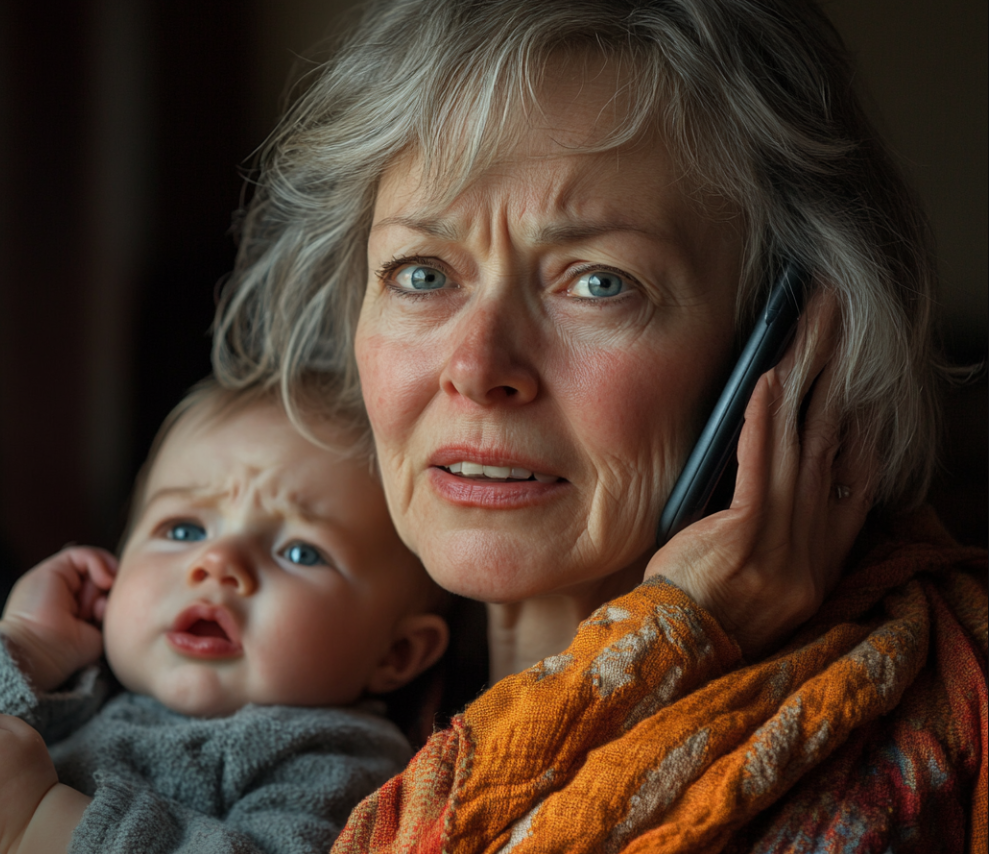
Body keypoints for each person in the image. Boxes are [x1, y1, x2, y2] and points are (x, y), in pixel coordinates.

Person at [212, 0, 988, 850]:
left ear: (794, 347)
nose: (476, 369)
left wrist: (669, 641)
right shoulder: (247, 638)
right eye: (423, 273)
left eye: (599, 284)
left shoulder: (922, 738)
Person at [0, 380, 451, 854]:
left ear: (393, 655)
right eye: (183, 528)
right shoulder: (61, 700)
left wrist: (34, 820)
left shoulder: (340, 764)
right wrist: (23, 647)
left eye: (299, 551)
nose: (217, 561)